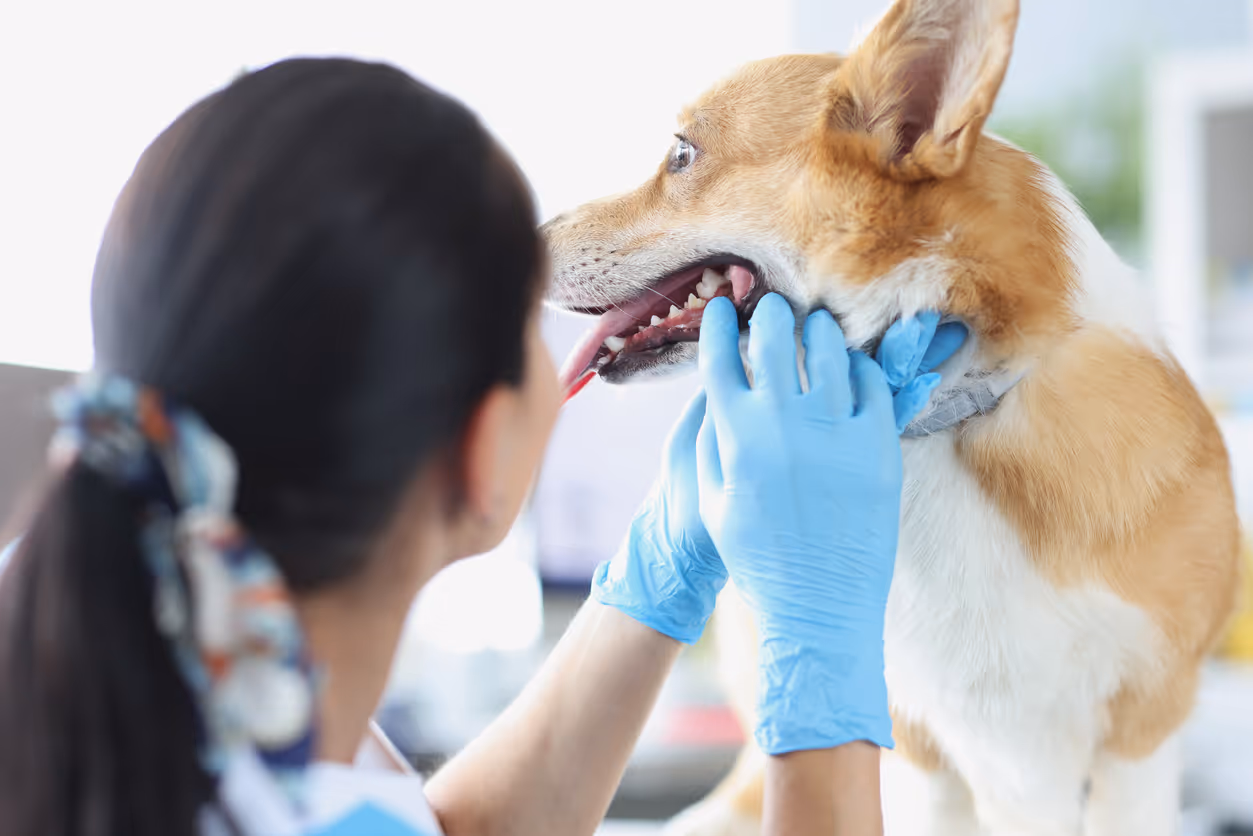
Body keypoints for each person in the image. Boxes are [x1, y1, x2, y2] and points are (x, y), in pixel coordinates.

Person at [0, 58, 963, 836]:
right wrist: (819, 652)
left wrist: (657, 574)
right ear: (480, 448)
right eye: (533, 330)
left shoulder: (147, 660)